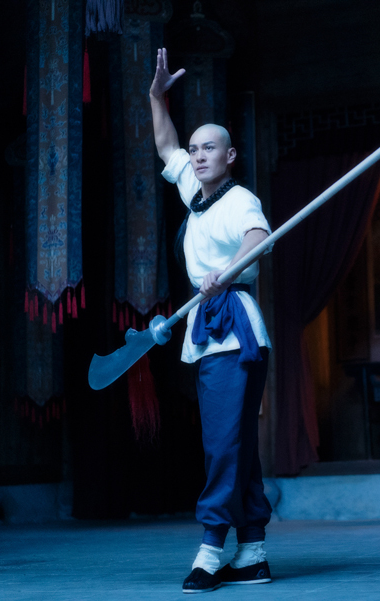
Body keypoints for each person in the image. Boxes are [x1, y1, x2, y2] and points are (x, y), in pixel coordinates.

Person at [149, 47, 273, 594]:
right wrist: (157, 98)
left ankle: (211, 547)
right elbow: (165, 145)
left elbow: (259, 238)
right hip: (207, 331)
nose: (197, 155)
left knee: (223, 443)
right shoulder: (193, 194)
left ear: (230, 154)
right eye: (195, 149)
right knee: (234, 442)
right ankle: (253, 550)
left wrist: (226, 271)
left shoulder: (239, 198)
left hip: (235, 330)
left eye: (209, 148)